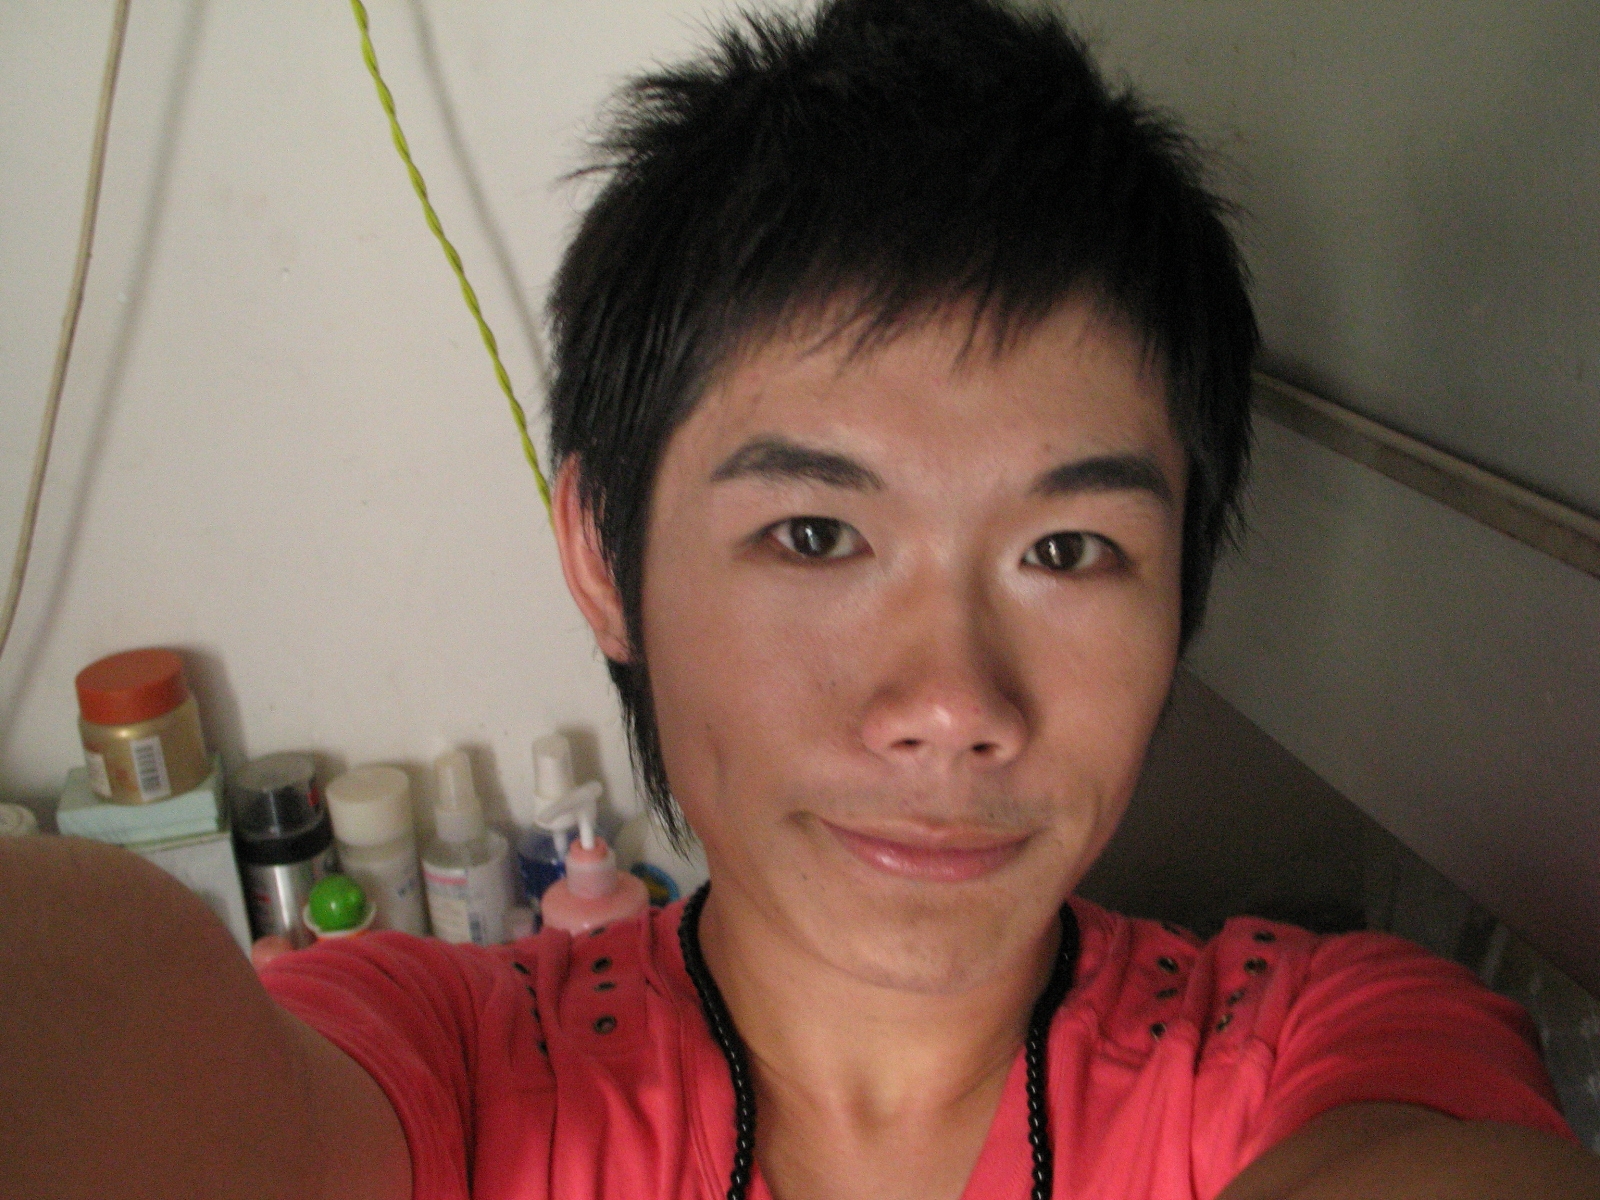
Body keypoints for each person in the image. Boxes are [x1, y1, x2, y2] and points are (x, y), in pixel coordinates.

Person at [2, 1, 1597, 1198]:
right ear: (602, 554)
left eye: (1066, 552)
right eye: (817, 534)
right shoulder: (450, 1079)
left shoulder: (1327, 1050)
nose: (953, 705)